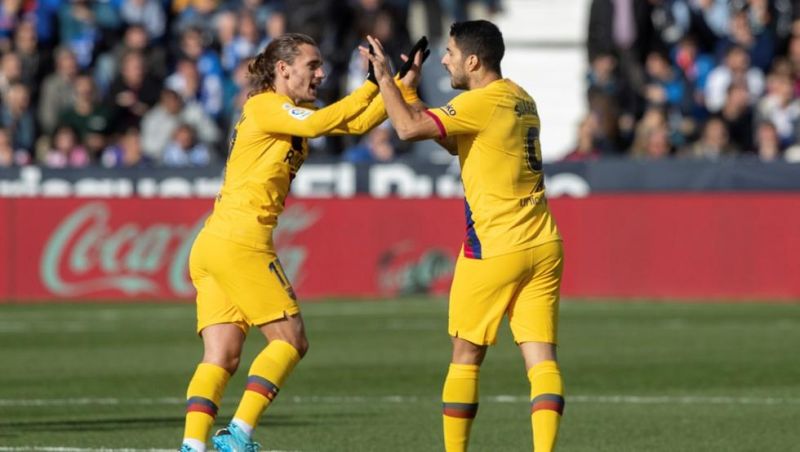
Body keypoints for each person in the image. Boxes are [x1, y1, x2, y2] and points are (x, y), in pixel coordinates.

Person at [180, 32, 423, 452]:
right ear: (283, 69)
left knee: (221, 357)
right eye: (312, 65)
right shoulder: (264, 106)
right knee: (291, 340)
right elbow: (318, 123)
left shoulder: (290, 112)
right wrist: (371, 83)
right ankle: (238, 434)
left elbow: (355, 123)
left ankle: (193, 446)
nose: (321, 73)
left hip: (214, 242)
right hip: (241, 241)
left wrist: (398, 84)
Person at [362, 20, 565, 452]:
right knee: (541, 360)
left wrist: (385, 80)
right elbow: (457, 140)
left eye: (451, 53)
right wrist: (410, 93)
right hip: (543, 242)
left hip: (495, 246)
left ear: (473, 61)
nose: (445, 61)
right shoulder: (520, 98)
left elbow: (407, 129)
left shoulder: (481, 102)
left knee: (466, 356)